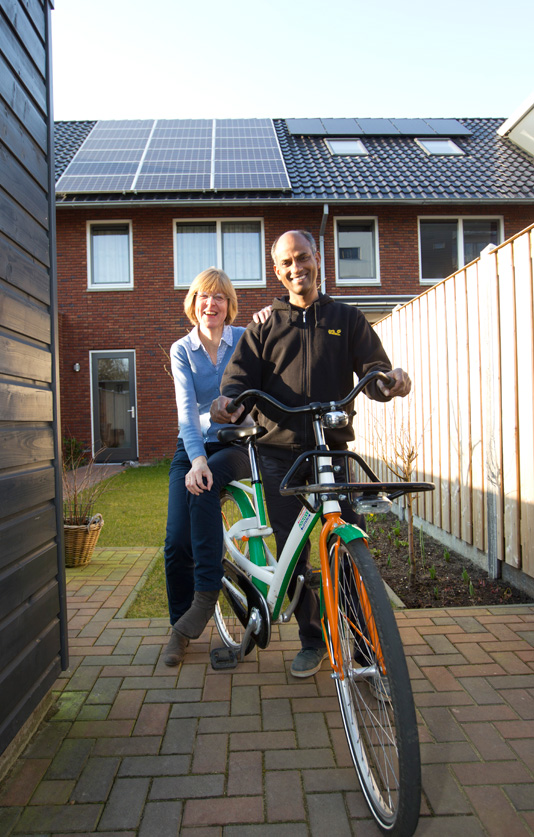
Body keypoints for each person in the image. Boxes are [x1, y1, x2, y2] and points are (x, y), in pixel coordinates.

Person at [210, 230, 411, 678]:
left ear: (317, 259)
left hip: (331, 451)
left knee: (350, 550)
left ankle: (366, 653)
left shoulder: (346, 318)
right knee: (293, 557)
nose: (295, 267)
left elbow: (375, 371)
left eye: (302, 257)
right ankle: (312, 640)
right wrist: (229, 402)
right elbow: (238, 380)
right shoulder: (264, 325)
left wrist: (389, 382)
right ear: (277, 271)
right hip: (278, 455)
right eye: (286, 262)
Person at [163, 268, 255, 666]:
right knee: (176, 542)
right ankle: (180, 628)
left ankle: (204, 598)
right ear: (193, 303)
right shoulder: (182, 350)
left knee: (206, 485)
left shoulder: (245, 340)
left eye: (219, 297)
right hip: (193, 445)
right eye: (204, 296)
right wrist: (196, 458)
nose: (211, 303)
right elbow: (186, 413)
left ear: (229, 304)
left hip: (235, 444)